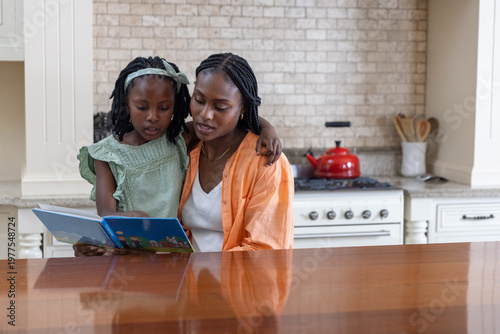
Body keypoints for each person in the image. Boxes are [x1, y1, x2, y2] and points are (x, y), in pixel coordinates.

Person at [74, 56, 282, 256]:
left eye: (164, 108)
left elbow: (238, 116)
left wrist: (266, 128)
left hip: (175, 265)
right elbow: (106, 214)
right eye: (142, 107)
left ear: (174, 107)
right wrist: (137, 220)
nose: (153, 117)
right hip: (138, 257)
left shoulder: (178, 139)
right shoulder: (109, 154)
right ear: (126, 104)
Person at [178, 53, 294, 252]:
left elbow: (264, 249)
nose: (205, 114)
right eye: (198, 100)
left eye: (220, 107)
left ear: (243, 108)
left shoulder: (266, 161)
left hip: (239, 282)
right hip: (186, 280)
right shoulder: (186, 150)